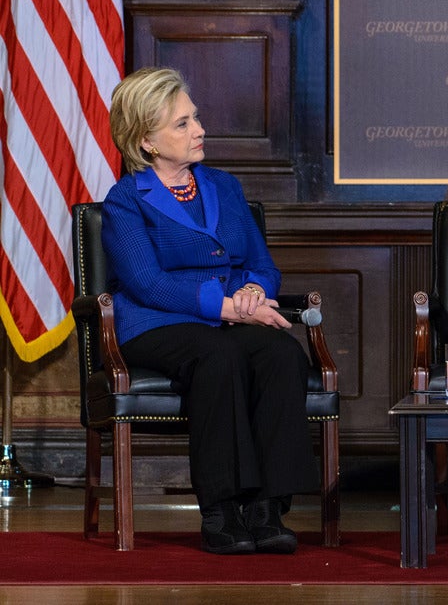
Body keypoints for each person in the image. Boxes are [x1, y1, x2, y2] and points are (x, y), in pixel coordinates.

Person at [101, 67, 317, 555]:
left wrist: (254, 295)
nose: (199, 129)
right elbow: (147, 283)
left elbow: (261, 264)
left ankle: (267, 508)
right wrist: (229, 308)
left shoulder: (224, 186)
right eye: (182, 124)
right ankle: (221, 512)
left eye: (194, 117)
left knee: (281, 354)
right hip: (157, 323)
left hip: (226, 318)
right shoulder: (126, 200)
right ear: (146, 141)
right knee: (217, 357)